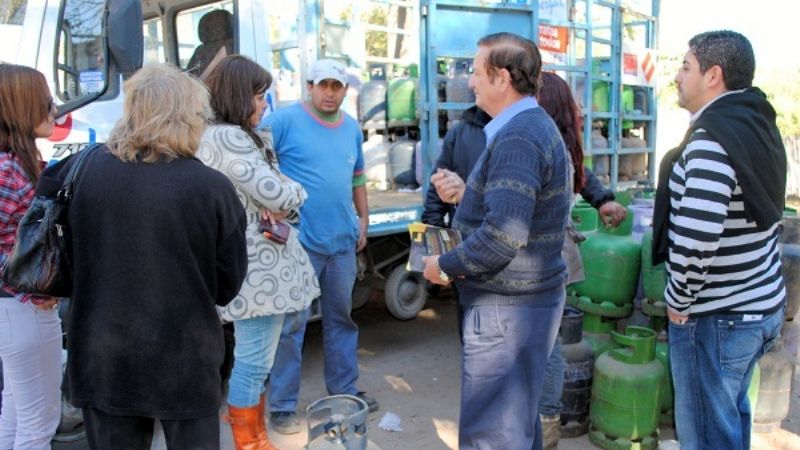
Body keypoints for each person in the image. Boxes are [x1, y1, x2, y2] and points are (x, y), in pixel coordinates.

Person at [36, 64, 248, 450]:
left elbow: (51, 242)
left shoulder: (80, 170)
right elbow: (227, 285)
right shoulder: (211, 187)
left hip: (102, 356)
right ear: (188, 115)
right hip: (184, 359)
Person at [421, 32, 571, 450]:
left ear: (502, 78)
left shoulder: (519, 136)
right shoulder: (525, 128)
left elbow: (503, 236)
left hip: (508, 311)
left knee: (493, 434)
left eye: (475, 71)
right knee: (515, 426)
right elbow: (513, 214)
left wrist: (444, 266)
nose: (470, 81)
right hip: (520, 306)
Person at [652, 30, 787, 450]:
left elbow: (696, 239)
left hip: (719, 316)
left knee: (708, 434)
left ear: (713, 75)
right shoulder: (755, 121)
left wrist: (679, 299)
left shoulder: (713, 139)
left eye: (686, 66)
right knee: (728, 421)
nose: (677, 76)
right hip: (756, 305)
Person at [198, 54, 320, 450]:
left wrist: (284, 194)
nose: (264, 103)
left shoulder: (225, 134)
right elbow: (279, 193)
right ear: (238, 96)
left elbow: (275, 191)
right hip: (257, 272)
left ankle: (254, 436)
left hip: (254, 268)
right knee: (253, 363)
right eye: (259, 95)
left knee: (255, 361)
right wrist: (295, 192)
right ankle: (249, 442)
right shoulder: (228, 137)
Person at [260, 58, 377, 435]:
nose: (330, 92)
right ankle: (281, 405)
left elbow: (357, 177)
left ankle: (344, 391)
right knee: (291, 325)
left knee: (341, 319)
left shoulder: (352, 128)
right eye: (323, 85)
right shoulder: (284, 121)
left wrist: (363, 219)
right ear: (309, 86)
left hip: (341, 240)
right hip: (300, 243)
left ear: (345, 90)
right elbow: (253, 160)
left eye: (337, 86)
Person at [0, 63, 61, 450]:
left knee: (16, 412)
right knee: (38, 424)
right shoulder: (8, 171)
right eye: (45, 101)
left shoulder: (14, 165)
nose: (53, 109)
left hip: (14, 309)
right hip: (24, 307)